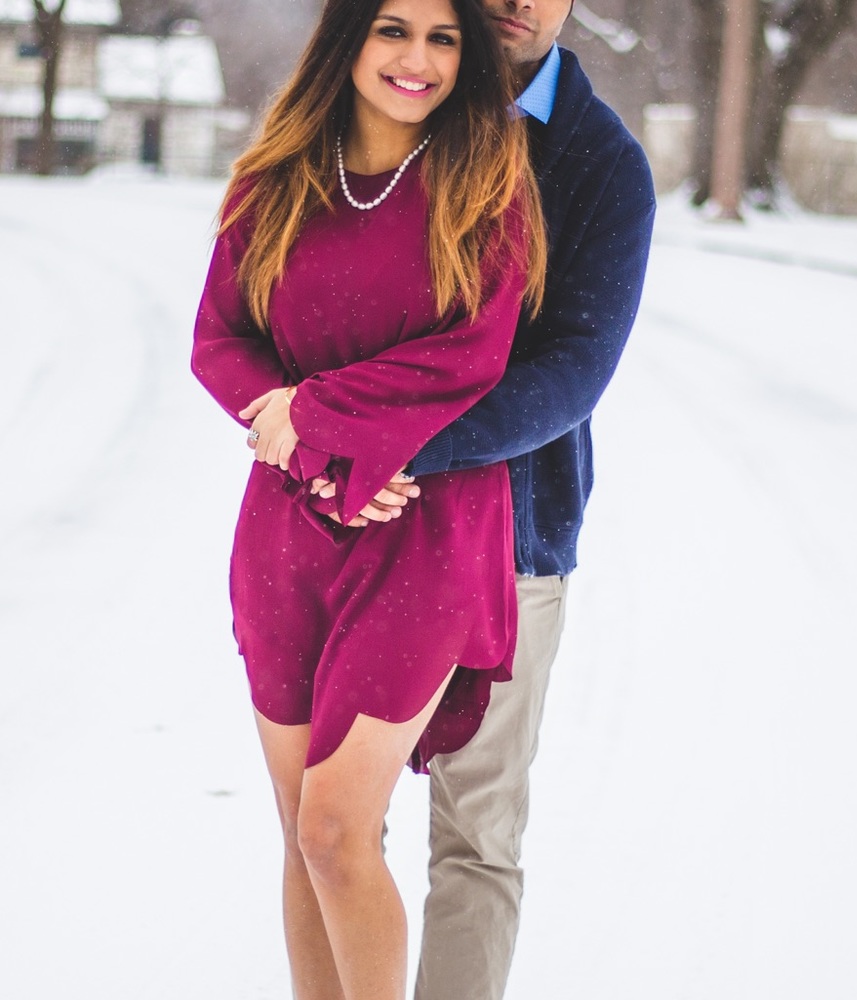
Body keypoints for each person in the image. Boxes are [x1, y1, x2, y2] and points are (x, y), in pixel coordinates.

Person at [190, 2, 546, 998]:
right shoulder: (274, 180)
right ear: (348, 37)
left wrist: (316, 412)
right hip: (286, 529)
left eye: (443, 38)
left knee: (337, 827)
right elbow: (219, 341)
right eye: (393, 30)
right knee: (302, 833)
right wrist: (312, 450)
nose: (416, 59)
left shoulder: (487, 180)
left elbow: (471, 354)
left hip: (425, 530)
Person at [405, 2, 657, 998]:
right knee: (329, 823)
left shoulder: (602, 162)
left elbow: (573, 374)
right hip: (351, 528)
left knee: (476, 836)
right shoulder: (388, 100)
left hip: (512, 546)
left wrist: (396, 442)